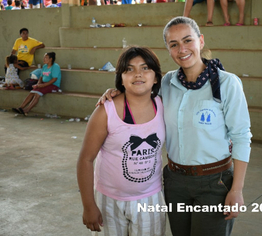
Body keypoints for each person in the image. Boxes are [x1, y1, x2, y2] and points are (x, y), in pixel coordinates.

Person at [99, 16, 252, 236]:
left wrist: (236, 189)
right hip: (175, 181)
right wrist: (115, 93)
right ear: (168, 50)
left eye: (187, 40)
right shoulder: (167, 83)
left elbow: (241, 137)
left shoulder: (227, 83)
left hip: (214, 183)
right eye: (174, 44)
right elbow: (139, 94)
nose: (182, 49)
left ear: (200, 41)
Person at [77, 46, 166, 235]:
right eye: (129, 69)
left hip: (150, 198)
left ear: (156, 77)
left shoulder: (165, 106)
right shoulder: (105, 111)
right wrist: (88, 205)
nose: (137, 74)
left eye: (145, 68)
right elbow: (85, 159)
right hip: (109, 200)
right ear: (121, 79)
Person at [12, 52, 61, 116]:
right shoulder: (44, 66)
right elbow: (41, 77)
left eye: (46, 57)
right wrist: (38, 84)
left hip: (53, 85)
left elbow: (54, 79)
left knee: (37, 94)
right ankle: (20, 108)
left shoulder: (55, 66)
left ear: (51, 59)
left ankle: (27, 110)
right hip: (44, 83)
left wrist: (43, 85)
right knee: (32, 92)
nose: (44, 59)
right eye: (44, 57)